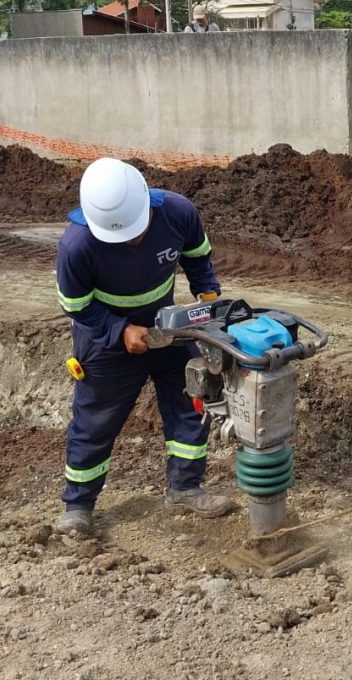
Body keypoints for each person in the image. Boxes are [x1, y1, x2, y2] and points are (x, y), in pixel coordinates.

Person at [53, 157, 235, 535]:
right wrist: (120, 331)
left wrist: (208, 296)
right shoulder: (76, 246)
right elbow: (76, 306)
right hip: (106, 343)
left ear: (147, 204)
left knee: (191, 403)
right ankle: (79, 506)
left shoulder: (178, 212)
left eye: (137, 230)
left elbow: (198, 257)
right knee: (96, 420)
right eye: (121, 237)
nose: (133, 240)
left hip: (169, 329)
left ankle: (185, 487)